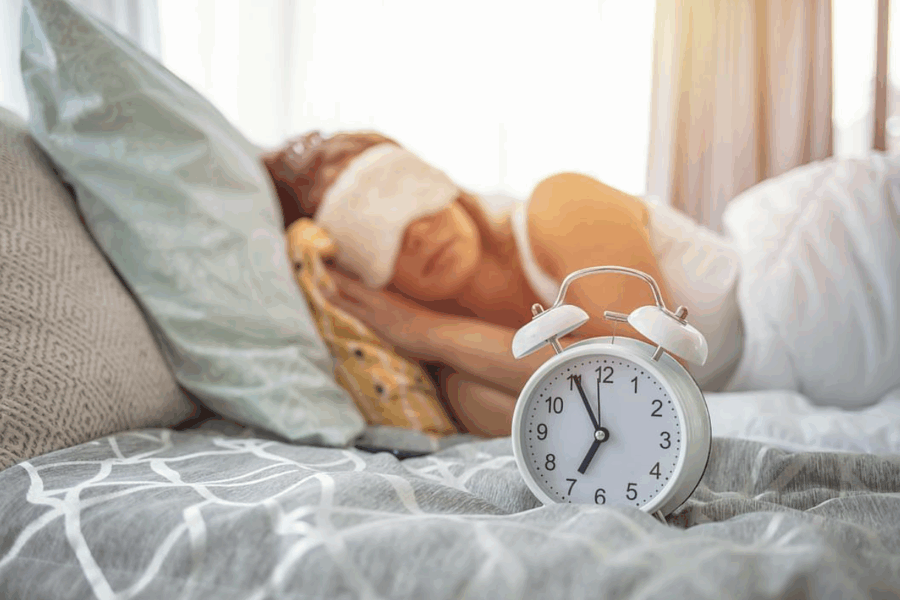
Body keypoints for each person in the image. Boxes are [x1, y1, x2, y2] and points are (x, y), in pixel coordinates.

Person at [263, 131, 743, 437]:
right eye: (368, 237)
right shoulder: (462, 379)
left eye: (399, 192)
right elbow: (615, 429)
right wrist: (431, 340)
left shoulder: (560, 204)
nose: (416, 234)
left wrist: (424, 331)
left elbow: (648, 374)